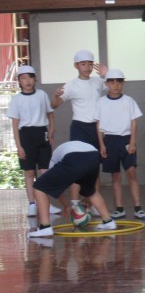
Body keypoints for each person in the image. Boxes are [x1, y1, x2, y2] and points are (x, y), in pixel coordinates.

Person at [51, 50, 107, 214]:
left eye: (90, 64)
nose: (87, 67)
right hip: (79, 128)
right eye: (83, 64)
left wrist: (106, 74)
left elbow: (114, 87)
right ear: (76, 66)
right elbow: (54, 105)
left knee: (95, 167)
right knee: (77, 166)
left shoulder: (98, 82)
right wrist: (56, 96)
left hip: (96, 128)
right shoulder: (71, 85)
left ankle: (94, 204)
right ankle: (75, 203)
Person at [28, 140, 116, 237]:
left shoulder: (53, 161)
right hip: (94, 156)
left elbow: (53, 188)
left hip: (74, 157)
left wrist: (66, 206)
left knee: (39, 186)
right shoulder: (64, 150)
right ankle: (108, 221)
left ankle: (45, 227)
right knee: (90, 191)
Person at [7, 65, 62, 217]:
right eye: (23, 78)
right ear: (19, 81)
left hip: (41, 132)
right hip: (26, 135)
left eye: (30, 77)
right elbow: (15, 124)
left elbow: (50, 114)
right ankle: (32, 204)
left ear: (35, 79)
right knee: (29, 172)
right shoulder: (16, 99)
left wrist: (51, 131)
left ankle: (46, 204)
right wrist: (19, 146)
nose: (27, 81)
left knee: (45, 171)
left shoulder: (42, 95)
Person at [94, 69, 145, 220]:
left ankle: (138, 208)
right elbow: (99, 125)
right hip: (110, 141)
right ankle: (119, 209)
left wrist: (132, 142)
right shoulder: (101, 102)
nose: (115, 85)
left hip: (126, 140)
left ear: (123, 83)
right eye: (112, 82)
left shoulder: (129, 101)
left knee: (131, 173)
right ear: (106, 84)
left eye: (119, 82)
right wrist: (102, 145)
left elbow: (133, 122)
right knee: (115, 176)